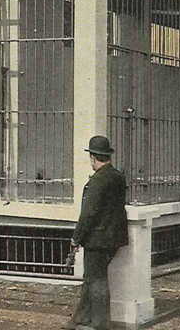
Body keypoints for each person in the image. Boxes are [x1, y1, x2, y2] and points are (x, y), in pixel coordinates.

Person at [62, 136, 128, 330]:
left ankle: (99, 323)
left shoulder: (98, 181)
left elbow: (88, 213)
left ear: (93, 157)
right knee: (91, 278)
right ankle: (80, 318)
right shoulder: (118, 176)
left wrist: (76, 238)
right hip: (114, 238)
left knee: (96, 280)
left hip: (97, 239)